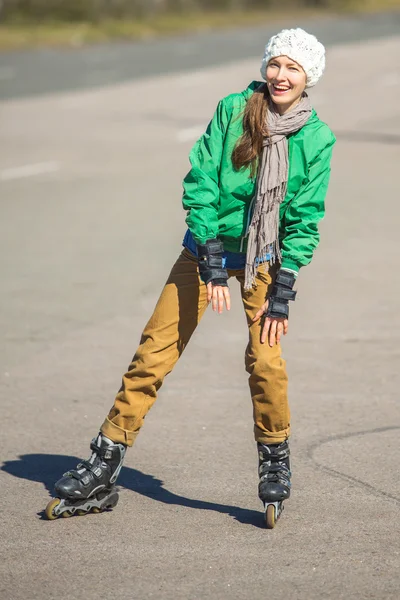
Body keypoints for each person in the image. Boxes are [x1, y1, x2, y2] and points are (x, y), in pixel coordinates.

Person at [45, 28, 335, 527]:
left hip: (265, 260)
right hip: (207, 251)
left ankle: (274, 459)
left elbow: (305, 217)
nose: (281, 75)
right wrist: (212, 263)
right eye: (275, 64)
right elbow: (202, 180)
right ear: (265, 67)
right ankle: (105, 460)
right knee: (152, 356)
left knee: (266, 361)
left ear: (309, 77)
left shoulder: (317, 137)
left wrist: (283, 290)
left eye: (293, 68)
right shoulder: (232, 110)